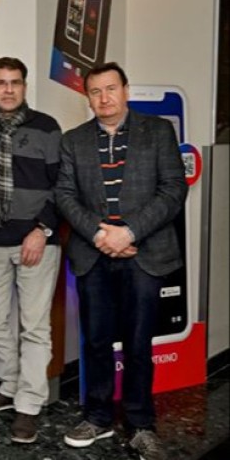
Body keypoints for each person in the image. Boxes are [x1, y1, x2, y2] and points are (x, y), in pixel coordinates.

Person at [56, 63, 186, 460]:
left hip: (144, 254)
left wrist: (128, 233)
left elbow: (173, 189)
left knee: (138, 343)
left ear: (125, 90)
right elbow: (64, 195)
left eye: (111, 88)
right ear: (88, 98)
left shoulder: (157, 131)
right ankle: (97, 418)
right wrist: (101, 236)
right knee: (96, 341)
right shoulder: (73, 140)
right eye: (95, 91)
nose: (104, 98)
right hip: (93, 255)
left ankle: (141, 425)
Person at [0, 57, 62, 444]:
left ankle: (28, 405)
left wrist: (42, 229)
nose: (8, 90)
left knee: (34, 327)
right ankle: (11, 385)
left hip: (37, 240)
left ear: (24, 87)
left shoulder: (47, 127)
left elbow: (63, 185)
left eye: (15, 83)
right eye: (1, 83)